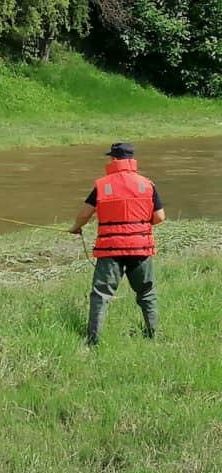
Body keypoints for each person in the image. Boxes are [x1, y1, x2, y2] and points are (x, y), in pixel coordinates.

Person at [69, 142, 166, 346]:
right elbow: (160, 217)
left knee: (101, 295)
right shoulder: (147, 184)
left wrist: (76, 227)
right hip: (140, 249)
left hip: (110, 249)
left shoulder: (103, 185)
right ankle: (154, 335)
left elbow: (85, 213)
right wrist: (138, 226)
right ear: (132, 160)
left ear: (113, 159)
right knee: (147, 292)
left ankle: (93, 341)